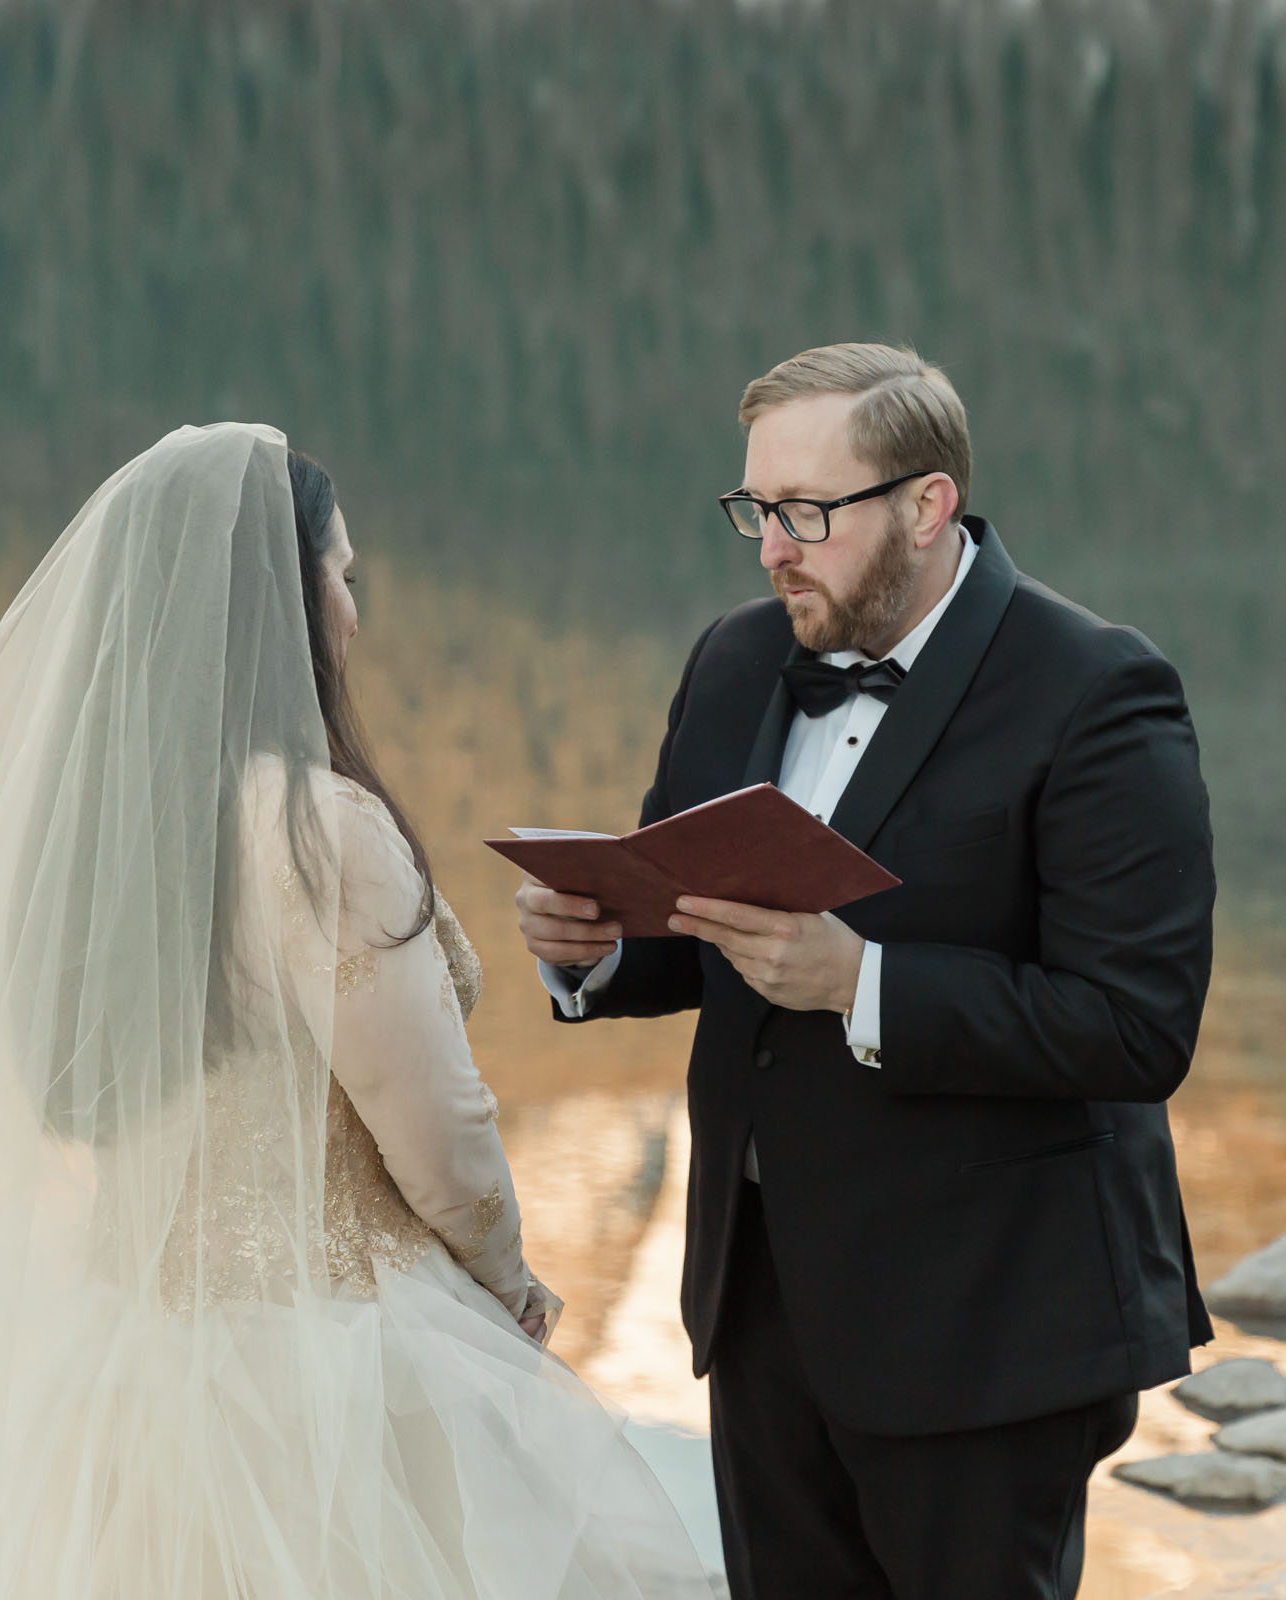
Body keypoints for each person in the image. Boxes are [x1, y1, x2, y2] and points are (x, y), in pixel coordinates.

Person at [0, 423, 711, 1599]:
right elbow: (438, 1132)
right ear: (282, 605)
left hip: (122, 1363)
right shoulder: (320, 831)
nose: (353, 613)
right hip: (344, 1350)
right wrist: (508, 1285)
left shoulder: (86, 844)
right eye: (341, 576)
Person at [517, 344, 1217, 1600]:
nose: (771, 550)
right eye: (754, 510)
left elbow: (1135, 1026)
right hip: (760, 1299)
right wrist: (601, 949)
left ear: (925, 504)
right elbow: (702, 926)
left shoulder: (1096, 688)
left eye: (805, 512)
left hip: (988, 1320)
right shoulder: (735, 658)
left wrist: (862, 983)